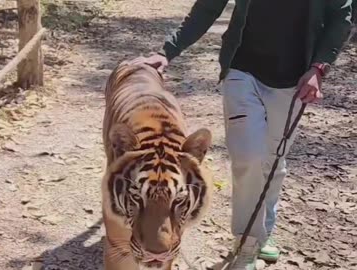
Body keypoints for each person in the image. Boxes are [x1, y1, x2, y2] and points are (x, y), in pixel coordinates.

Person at [134, 0, 353, 269]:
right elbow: (207, 7)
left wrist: (319, 68)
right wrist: (167, 51)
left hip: (295, 80)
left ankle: (263, 232)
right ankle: (247, 243)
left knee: (273, 161)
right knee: (248, 157)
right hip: (242, 71)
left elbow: (341, 17)